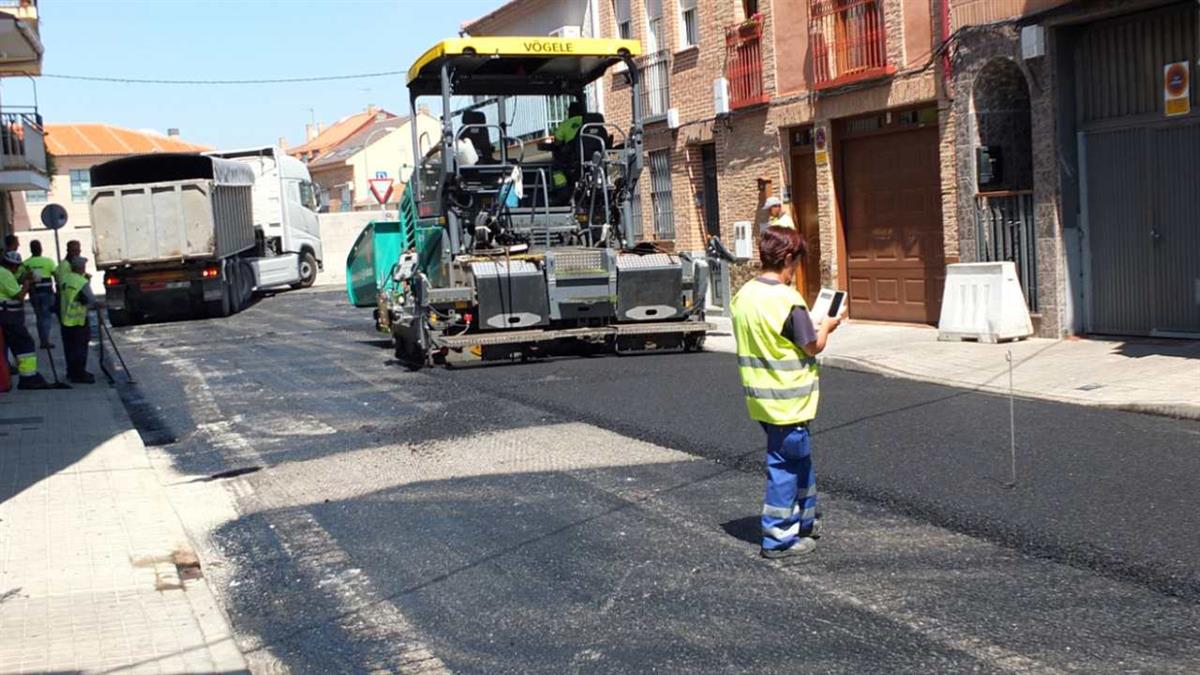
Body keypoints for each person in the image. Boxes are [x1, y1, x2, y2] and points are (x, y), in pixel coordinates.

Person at [730, 226, 840, 560]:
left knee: (799, 459)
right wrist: (827, 326)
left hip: (762, 399)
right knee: (785, 466)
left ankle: (804, 520)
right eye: (796, 264)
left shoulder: (744, 295)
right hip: (788, 400)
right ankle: (778, 538)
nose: (796, 272)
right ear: (788, 258)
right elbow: (811, 346)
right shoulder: (787, 300)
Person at [0, 250, 49, 389]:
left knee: (10, 347)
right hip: (9, 317)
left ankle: (17, 375)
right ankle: (28, 378)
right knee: (25, 344)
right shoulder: (4, 274)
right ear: (12, 265)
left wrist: (21, 279)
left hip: (6, 316)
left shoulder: (5, 273)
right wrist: (27, 284)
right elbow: (19, 296)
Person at [59, 256, 97, 384]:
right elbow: (91, 299)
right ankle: (80, 374)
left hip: (65, 319)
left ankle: (71, 372)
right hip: (78, 320)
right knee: (80, 348)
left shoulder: (65, 278)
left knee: (69, 348)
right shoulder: (81, 281)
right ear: (81, 268)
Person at [22, 240, 57, 349]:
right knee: (46, 316)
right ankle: (45, 340)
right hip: (47, 293)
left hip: (34, 294)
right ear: (41, 249)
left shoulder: (26, 263)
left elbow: (22, 278)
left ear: (31, 249)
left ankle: (43, 339)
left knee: (39, 317)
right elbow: (56, 276)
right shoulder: (48, 262)